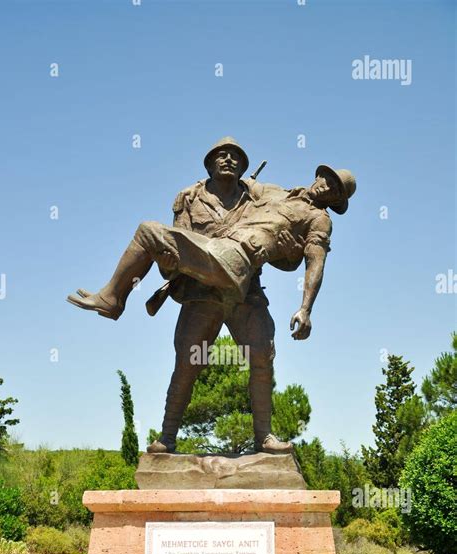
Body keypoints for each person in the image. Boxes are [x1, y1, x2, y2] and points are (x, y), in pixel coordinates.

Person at [67, 139, 356, 454]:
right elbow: (189, 244)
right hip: (205, 286)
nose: (324, 185)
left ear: (337, 200)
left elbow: (313, 260)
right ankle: (167, 438)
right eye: (324, 177)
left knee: (261, 356)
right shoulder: (267, 192)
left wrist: (304, 305)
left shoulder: (317, 219)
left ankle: (264, 438)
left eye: (333, 188)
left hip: (240, 278)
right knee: (187, 363)